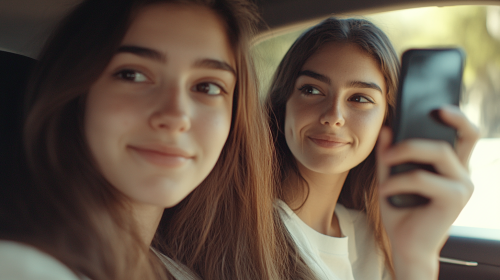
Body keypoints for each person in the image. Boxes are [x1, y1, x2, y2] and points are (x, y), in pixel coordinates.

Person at [0, 0, 284, 279]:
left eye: (207, 86)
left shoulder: (181, 269)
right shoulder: (23, 267)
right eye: (132, 75)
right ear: (75, 94)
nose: (176, 115)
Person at [265, 17, 479, 280]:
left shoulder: (376, 238)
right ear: (283, 102)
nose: (334, 116)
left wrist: (417, 257)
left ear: (386, 122)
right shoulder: (242, 227)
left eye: (360, 98)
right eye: (311, 90)